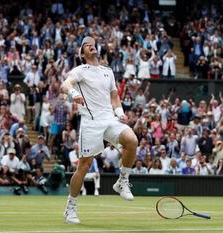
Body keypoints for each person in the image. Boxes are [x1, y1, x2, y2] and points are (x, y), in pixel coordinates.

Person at [62, 36, 138, 224]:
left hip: (109, 119)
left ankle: (122, 181)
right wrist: (74, 94)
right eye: (86, 45)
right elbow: (66, 85)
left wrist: (119, 112)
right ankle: (70, 207)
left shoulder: (108, 72)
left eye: (92, 44)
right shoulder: (79, 70)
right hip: (90, 122)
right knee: (84, 166)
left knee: (132, 140)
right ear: (82, 53)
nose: (91, 46)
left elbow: (114, 96)